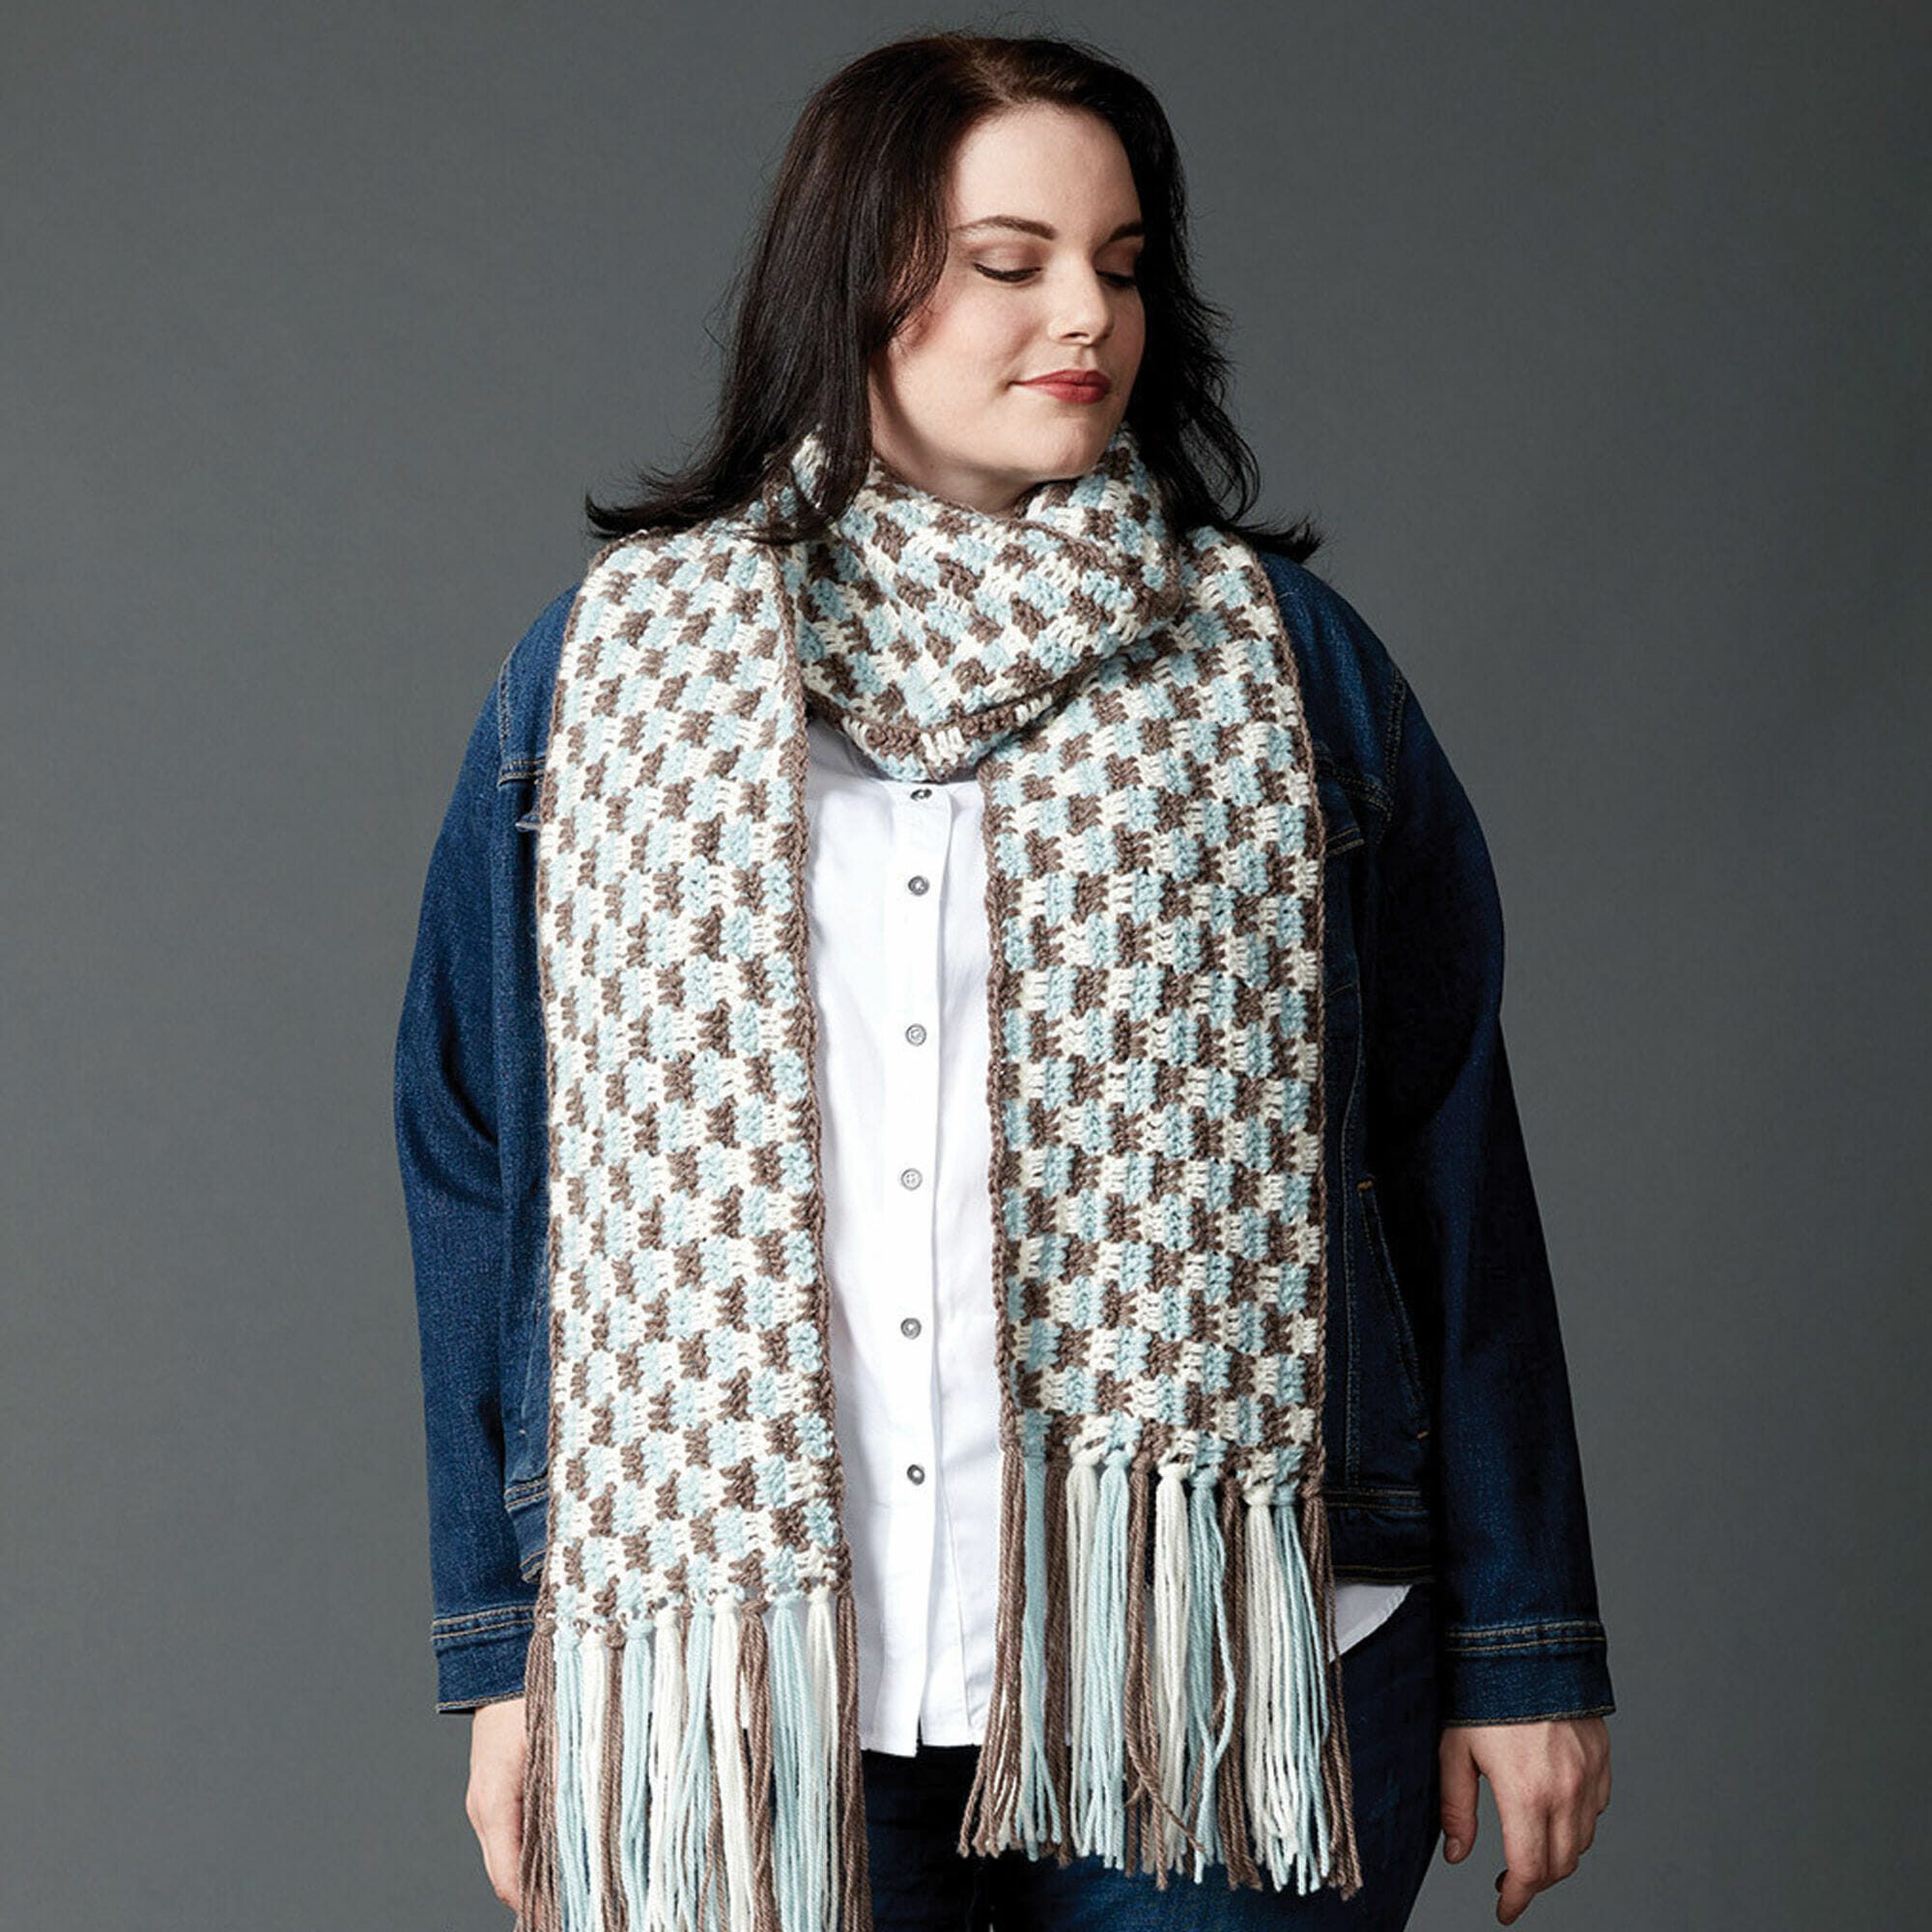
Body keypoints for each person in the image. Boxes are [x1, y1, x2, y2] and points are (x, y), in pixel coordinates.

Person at [394, 31, 1614, 1932]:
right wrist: (502, 1651)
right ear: (855, 277)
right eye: (1009, 260)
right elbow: (482, 1161)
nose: (1088, 316)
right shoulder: (607, 681)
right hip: (745, 1687)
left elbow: (1442, 1149)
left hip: (1226, 1668)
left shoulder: (1282, 669)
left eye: (1122, 264)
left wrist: (1525, 1643)